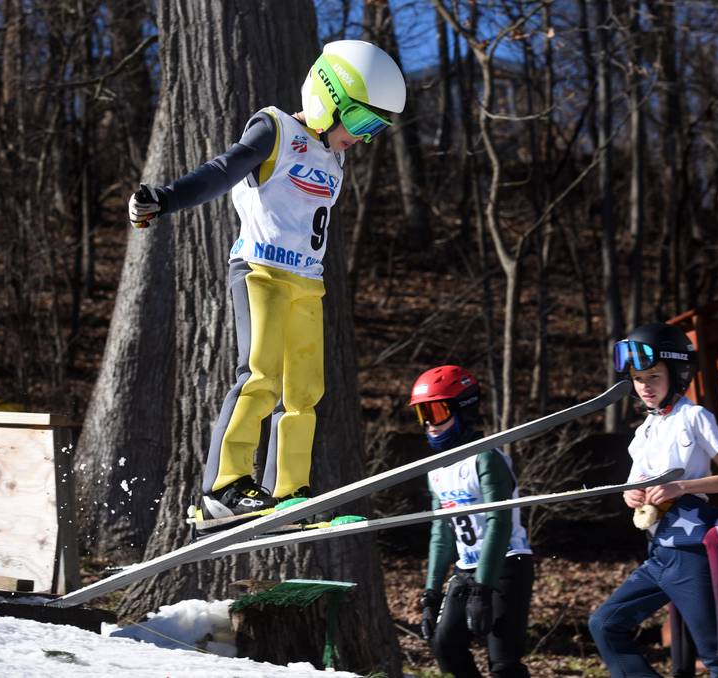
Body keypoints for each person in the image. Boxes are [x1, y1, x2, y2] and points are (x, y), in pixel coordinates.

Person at [127, 41, 406, 524]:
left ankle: (288, 491)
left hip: (307, 283)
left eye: (375, 130)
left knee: (304, 390)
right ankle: (224, 486)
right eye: (360, 123)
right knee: (259, 374)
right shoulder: (274, 128)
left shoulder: (332, 157)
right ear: (327, 96)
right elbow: (222, 170)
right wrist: (166, 199)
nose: (362, 138)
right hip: (260, 272)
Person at [588, 322, 718, 677]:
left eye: (654, 376)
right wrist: (631, 494)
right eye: (638, 378)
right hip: (658, 554)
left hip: (692, 555)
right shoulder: (642, 433)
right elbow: (636, 488)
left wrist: (682, 488)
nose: (645, 386)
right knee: (604, 624)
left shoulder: (695, 418)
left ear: (677, 373)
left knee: (717, 656)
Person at [411, 365, 534, 678]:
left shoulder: (486, 458)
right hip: (466, 571)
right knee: (445, 646)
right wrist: (430, 594)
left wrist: (483, 589)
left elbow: (499, 523)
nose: (430, 426)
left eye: (436, 412)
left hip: (507, 567)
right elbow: (441, 533)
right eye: (422, 415)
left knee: (503, 663)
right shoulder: (436, 469)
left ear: (463, 410)